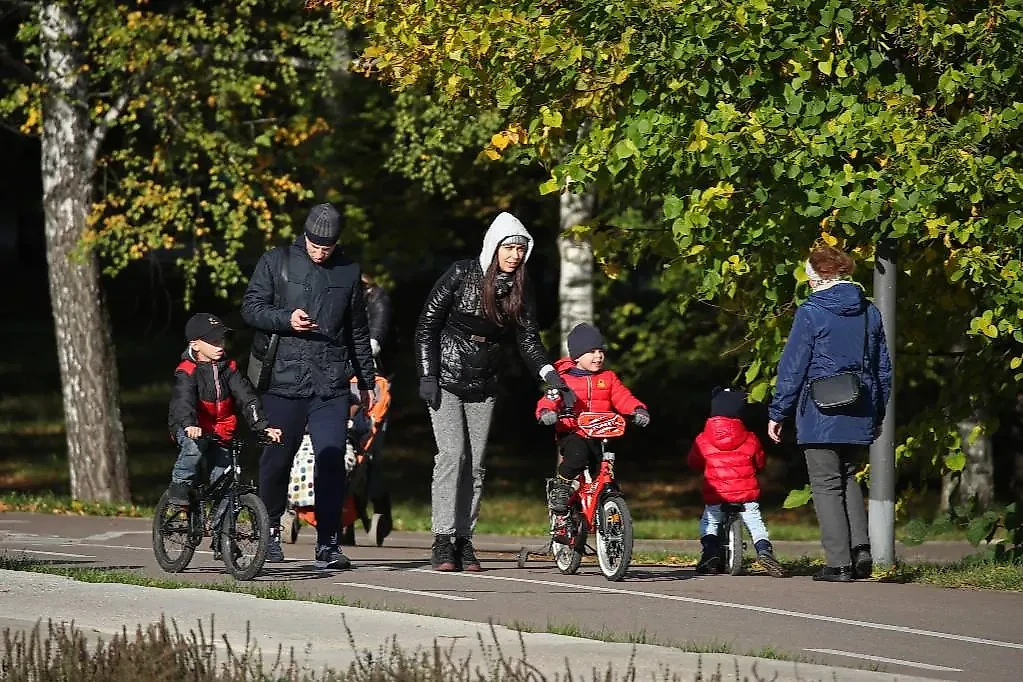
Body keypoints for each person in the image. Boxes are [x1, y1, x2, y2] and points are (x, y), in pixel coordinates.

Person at [415, 211, 577, 572]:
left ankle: (463, 539)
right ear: (494, 247)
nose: (515, 255)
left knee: (475, 466)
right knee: (452, 455)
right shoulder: (461, 273)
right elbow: (427, 325)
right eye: (509, 248)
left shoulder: (521, 287)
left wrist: (551, 375)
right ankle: (442, 540)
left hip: (484, 381)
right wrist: (427, 374)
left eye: (520, 249)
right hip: (446, 375)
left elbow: (528, 339)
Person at [241, 202, 376, 570]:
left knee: (331, 459)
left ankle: (328, 543)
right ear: (304, 236)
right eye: (315, 246)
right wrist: (286, 318)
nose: (320, 253)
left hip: (330, 383)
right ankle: (269, 531)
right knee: (276, 460)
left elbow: (357, 331)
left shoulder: (349, 271)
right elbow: (251, 307)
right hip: (283, 380)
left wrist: (366, 380)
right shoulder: (276, 261)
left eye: (327, 248)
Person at [767, 245, 892, 582]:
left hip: (820, 409)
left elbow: (793, 366)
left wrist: (778, 411)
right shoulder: (869, 311)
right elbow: (882, 369)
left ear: (817, 276)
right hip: (860, 404)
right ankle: (860, 550)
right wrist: (878, 411)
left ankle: (839, 564)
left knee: (825, 484)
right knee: (847, 476)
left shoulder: (811, 312)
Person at [166, 313, 282, 558]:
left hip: (221, 429)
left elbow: (247, 398)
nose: (220, 346)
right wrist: (189, 424)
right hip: (190, 426)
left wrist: (263, 427)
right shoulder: (187, 370)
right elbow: (183, 402)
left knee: (225, 483)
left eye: (222, 340)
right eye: (213, 341)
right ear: (195, 345)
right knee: (194, 449)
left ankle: (222, 539)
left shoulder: (229, 368)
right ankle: (179, 486)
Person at [535, 323, 650, 543]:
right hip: (573, 432)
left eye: (601, 351)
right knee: (576, 457)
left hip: (602, 434)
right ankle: (561, 488)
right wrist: (546, 412)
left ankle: (607, 506)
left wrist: (637, 410)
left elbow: (623, 397)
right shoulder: (563, 379)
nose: (598, 356)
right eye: (592, 352)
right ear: (577, 356)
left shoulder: (609, 378)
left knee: (603, 471)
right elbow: (550, 399)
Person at [687, 387, 785, 577]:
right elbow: (760, 462)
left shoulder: (703, 439)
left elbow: (694, 462)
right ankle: (764, 550)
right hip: (745, 493)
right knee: (755, 522)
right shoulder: (750, 437)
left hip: (716, 493)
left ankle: (710, 553)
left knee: (710, 521)